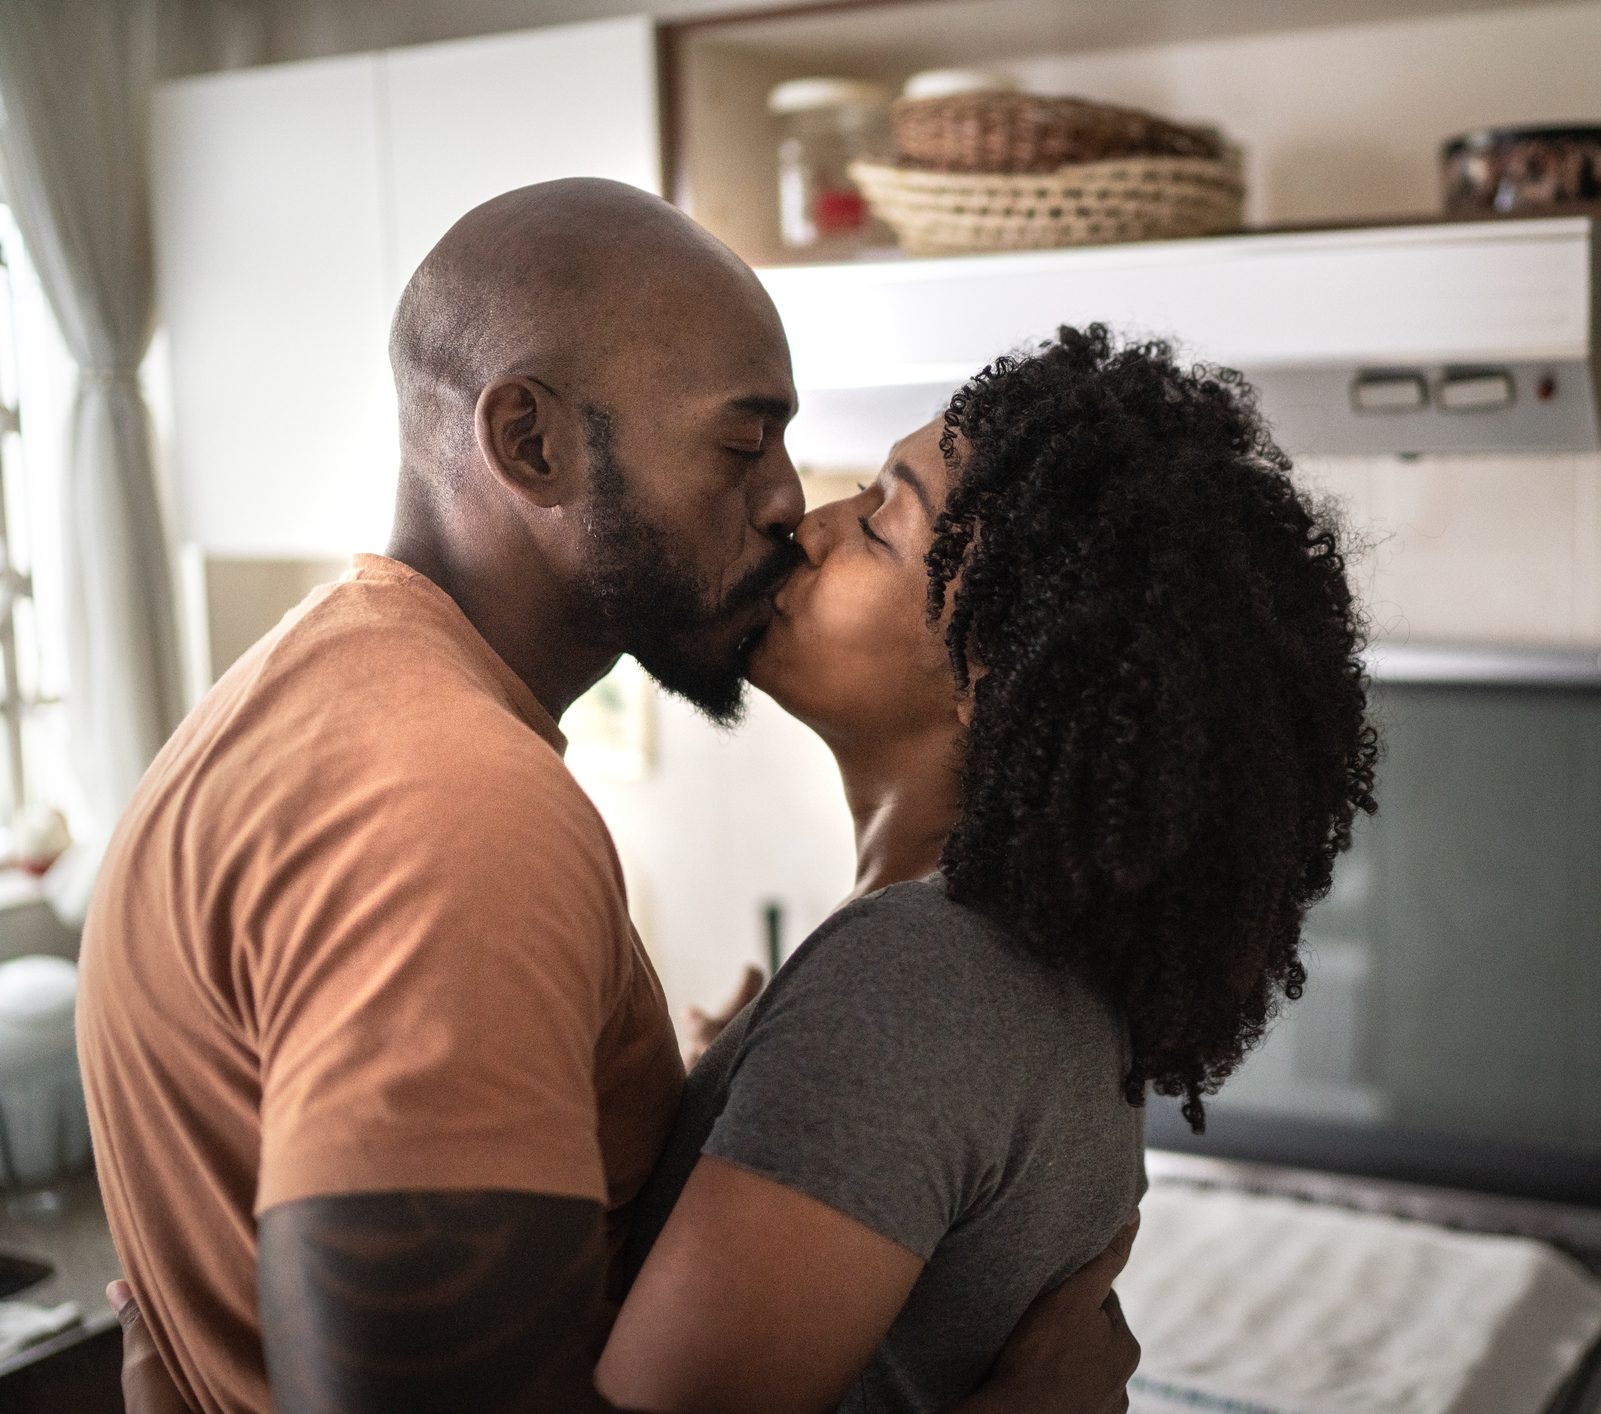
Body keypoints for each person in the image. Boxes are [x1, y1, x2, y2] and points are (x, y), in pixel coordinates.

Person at [76, 179, 1136, 1414]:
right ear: (530, 443)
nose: (792, 501)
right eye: (742, 443)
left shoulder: (324, 695)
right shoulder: (452, 805)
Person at [592, 326, 1379, 1412]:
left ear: (997, 671)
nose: (806, 525)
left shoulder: (916, 978)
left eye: (877, 520)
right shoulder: (1014, 973)